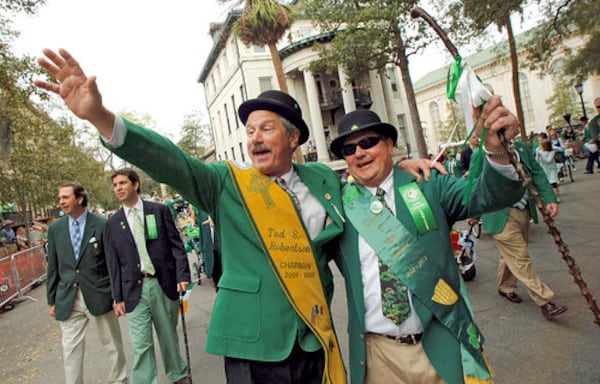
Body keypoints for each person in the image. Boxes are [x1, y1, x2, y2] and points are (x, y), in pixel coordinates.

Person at [35, 48, 437, 384]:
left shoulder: (324, 182)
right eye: (249, 131)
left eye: (266, 129)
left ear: (293, 137)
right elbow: (171, 161)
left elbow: (364, 188)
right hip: (252, 346)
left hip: (313, 337)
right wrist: (102, 117)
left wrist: (397, 165)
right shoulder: (226, 184)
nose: (254, 139)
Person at [330, 103, 525, 384]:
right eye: (349, 149)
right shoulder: (341, 207)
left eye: (368, 142)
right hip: (377, 357)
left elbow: (487, 195)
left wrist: (496, 151)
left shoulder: (427, 184)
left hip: (438, 347)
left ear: (390, 145)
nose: (359, 153)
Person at [104, 168, 192, 384]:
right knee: (141, 343)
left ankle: (178, 373)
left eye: (123, 183)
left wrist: (182, 274)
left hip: (162, 283)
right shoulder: (113, 223)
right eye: (115, 185)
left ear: (135, 185)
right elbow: (113, 264)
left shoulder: (159, 211)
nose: (118, 188)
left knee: (168, 336)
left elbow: (176, 246)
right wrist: (118, 298)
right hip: (133, 290)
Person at [46, 182, 127, 384]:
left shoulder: (101, 224)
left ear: (79, 199)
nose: (61, 202)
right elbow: (53, 266)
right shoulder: (55, 229)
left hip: (99, 294)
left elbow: (112, 262)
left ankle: (119, 381)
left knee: (112, 345)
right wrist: (52, 299)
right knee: (70, 350)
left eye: (65, 197)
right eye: (60, 198)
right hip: (68, 297)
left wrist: (117, 297)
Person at [482, 140, 566, 320]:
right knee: (520, 258)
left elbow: (536, 172)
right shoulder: (481, 153)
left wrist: (549, 198)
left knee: (511, 256)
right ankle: (545, 301)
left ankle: (505, 286)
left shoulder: (521, 148)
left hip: (523, 210)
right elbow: (474, 184)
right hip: (500, 214)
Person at [583, 98, 600, 174]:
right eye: (598, 107)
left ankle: (589, 168)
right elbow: (595, 137)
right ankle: (590, 168)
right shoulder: (593, 122)